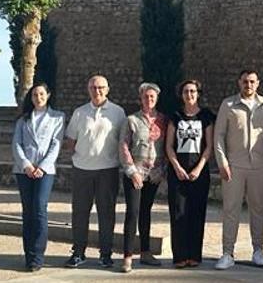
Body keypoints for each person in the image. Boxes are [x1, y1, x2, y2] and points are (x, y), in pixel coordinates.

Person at [213, 69, 263, 270]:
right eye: (245, 81)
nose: (248, 85)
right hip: (234, 166)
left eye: (252, 81)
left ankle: (258, 249)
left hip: (260, 166)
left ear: (258, 83)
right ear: (239, 82)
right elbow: (219, 135)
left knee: (258, 209)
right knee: (230, 210)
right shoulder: (228, 105)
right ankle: (227, 253)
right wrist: (222, 162)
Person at [64, 75, 127, 270]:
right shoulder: (79, 112)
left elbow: (123, 141)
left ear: (107, 89)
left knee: (106, 213)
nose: (96, 90)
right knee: (80, 213)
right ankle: (78, 252)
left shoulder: (118, 112)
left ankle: (106, 254)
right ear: (88, 89)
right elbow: (71, 141)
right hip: (82, 169)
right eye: (93, 87)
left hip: (107, 170)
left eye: (100, 87)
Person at [12, 83, 65, 272]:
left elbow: (56, 144)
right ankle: (29, 255)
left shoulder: (57, 117)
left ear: (48, 95)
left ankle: (38, 256)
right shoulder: (23, 119)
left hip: (45, 170)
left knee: (40, 209)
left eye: (41, 94)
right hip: (24, 170)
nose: (38, 97)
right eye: (35, 94)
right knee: (28, 212)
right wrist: (26, 165)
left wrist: (41, 167)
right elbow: (16, 144)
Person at [166, 80, 216, 269]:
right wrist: (177, 167)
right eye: (186, 91)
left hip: (199, 173)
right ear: (182, 94)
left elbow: (209, 146)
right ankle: (180, 256)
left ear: (198, 94)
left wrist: (199, 168)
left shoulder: (206, 116)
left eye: (193, 91)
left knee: (196, 213)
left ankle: (194, 255)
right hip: (177, 172)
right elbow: (169, 146)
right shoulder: (175, 116)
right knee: (178, 212)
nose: (190, 94)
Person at [118, 83, 167, 273]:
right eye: (146, 96)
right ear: (141, 98)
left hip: (153, 174)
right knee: (133, 212)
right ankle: (127, 256)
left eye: (152, 97)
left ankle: (145, 252)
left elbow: (166, 146)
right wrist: (132, 171)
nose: (149, 100)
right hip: (135, 173)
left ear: (157, 99)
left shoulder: (163, 120)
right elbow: (123, 145)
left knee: (146, 212)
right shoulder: (131, 120)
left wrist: (162, 171)